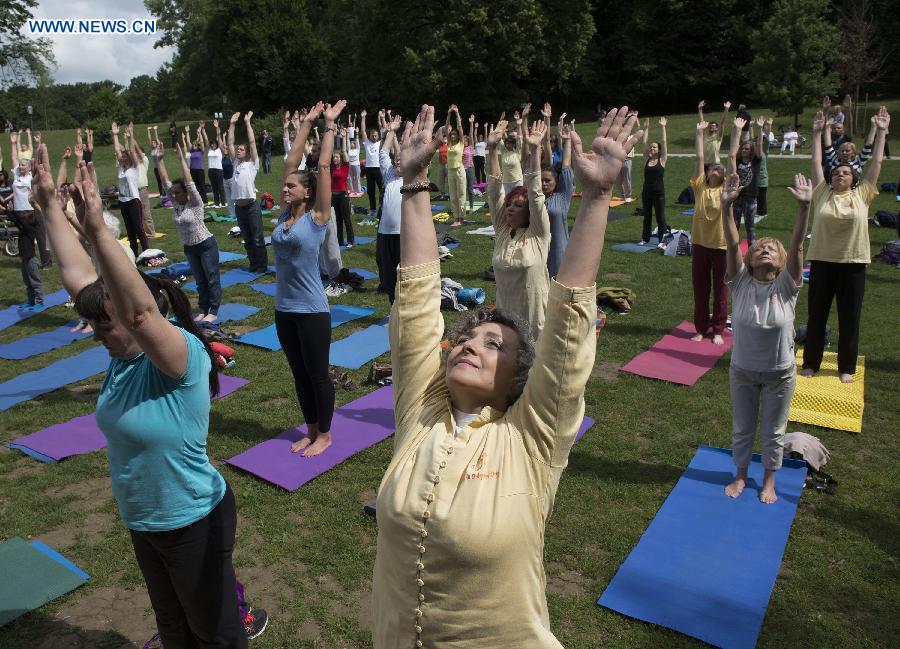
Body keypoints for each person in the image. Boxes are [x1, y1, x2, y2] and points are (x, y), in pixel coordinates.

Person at [373, 103, 641, 649]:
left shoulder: (531, 438)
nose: (470, 341)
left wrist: (595, 200)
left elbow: (565, 335)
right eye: (468, 336)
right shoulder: (421, 412)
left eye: (493, 344)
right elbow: (419, 305)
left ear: (519, 377)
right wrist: (415, 181)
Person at [30, 144, 267, 647]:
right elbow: (79, 280)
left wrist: (97, 230)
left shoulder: (179, 358)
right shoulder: (121, 360)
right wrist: (49, 205)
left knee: (214, 632)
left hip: (192, 519)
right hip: (146, 519)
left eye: (102, 322)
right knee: (173, 625)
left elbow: (138, 315)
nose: (94, 331)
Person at [721, 172, 809, 504]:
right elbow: (732, 243)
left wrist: (803, 209)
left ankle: (769, 481)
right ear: (750, 257)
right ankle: (741, 476)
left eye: (772, 248)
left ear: (781, 259)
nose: (766, 249)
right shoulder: (740, 282)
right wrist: (728, 207)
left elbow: (798, 244)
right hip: (743, 370)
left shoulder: (786, 286)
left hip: (779, 374)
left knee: (773, 431)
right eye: (760, 247)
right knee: (743, 428)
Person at [273, 100, 345, 458]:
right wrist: (305, 123)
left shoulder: (317, 216)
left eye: (291, 186)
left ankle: (326, 435)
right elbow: (291, 162)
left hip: (313, 310)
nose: (284, 189)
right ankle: (311, 429)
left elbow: (322, 164)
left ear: (307, 191)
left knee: (318, 375)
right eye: (285, 186)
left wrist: (328, 126)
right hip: (283, 309)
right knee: (299, 376)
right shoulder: (284, 216)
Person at [802, 107, 890, 383]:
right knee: (816, 315)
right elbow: (816, 164)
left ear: (854, 179)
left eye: (846, 173)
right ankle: (811, 363)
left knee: (849, 318)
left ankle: (846, 368)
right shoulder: (822, 194)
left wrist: (883, 132)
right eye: (837, 172)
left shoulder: (863, 195)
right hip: (823, 262)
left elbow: (876, 165)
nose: (840, 174)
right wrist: (817, 134)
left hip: (853, 264)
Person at [487, 119, 552, 342]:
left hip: (535, 324)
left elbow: (535, 195)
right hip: (505, 320)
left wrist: (535, 152)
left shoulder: (538, 234)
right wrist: (493, 149)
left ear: (530, 212)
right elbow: (495, 192)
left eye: (518, 205)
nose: (511, 209)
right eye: (510, 204)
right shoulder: (504, 231)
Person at [157, 142, 222, 323]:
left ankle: (214, 310)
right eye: (173, 193)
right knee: (200, 281)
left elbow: (190, 183)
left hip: (206, 245)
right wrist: (159, 159)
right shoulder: (177, 204)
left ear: (186, 193)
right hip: (189, 248)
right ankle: (203, 308)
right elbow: (164, 182)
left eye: (178, 193)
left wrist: (181, 160)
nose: (174, 195)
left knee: (211, 278)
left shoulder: (195, 203)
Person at [690, 117, 729, 345]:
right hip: (700, 244)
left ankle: (717, 330)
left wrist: (734, 129)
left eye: (718, 168)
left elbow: (731, 159)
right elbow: (700, 158)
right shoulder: (699, 188)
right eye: (712, 167)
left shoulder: (726, 190)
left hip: (721, 245)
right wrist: (699, 134)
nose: (715, 169)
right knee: (701, 288)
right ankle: (701, 327)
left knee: (721, 290)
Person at [228, 111, 269, 273]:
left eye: (241, 149)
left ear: (248, 153)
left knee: (258, 238)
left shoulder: (253, 164)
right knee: (248, 239)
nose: (238, 150)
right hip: (239, 207)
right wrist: (232, 124)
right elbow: (230, 143)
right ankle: (253, 264)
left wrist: (247, 123)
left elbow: (252, 142)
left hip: (252, 207)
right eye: (238, 149)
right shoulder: (235, 164)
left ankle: (262, 265)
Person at [7, 136, 43, 308]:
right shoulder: (17, 176)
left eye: (24, 165)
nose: (20, 167)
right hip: (18, 213)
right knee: (24, 251)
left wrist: (37, 146)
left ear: (29, 167)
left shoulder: (30, 177)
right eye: (20, 165)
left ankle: (38, 296)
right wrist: (13, 144)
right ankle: (31, 296)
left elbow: (37, 163)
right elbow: (14, 158)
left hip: (29, 213)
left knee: (28, 252)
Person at [375, 115, 404, 304]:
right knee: (388, 276)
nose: (398, 162)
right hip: (384, 233)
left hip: (404, 234)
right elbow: (383, 153)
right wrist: (391, 131)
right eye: (397, 160)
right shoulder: (389, 175)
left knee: (405, 277)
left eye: (402, 160)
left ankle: (408, 313)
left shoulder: (414, 177)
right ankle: (394, 311)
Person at [111, 122, 148, 256]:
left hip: (134, 201)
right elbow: (117, 149)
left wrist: (130, 136)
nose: (123, 157)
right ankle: (134, 253)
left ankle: (146, 252)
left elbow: (132, 151)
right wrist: (115, 135)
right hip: (123, 202)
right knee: (129, 229)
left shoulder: (134, 168)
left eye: (126, 156)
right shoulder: (121, 168)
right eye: (123, 156)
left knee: (138, 228)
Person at [543, 119, 574, 278]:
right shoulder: (535, 199)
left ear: (556, 183)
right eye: (541, 180)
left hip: (558, 251)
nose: (544, 184)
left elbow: (566, 167)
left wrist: (567, 141)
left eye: (547, 181)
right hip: (537, 252)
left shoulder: (561, 197)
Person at [728, 115, 764, 245]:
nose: (743, 150)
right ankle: (733, 251)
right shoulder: (737, 161)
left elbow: (759, 144)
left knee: (750, 227)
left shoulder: (755, 161)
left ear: (751, 151)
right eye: (742, 148)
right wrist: (736, 130)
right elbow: (732, 151)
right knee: (735, 225)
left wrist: (760, 129)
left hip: (750, 198)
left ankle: (751, 252)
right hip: (737, 197)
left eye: (746, 149)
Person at [640, 116, 669, 248]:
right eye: (651, 147)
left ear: (659, 150)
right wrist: (646, 128)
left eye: (655, 147)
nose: (652, 149)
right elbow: (644, 142)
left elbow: (664, 141)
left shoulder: (662, 160)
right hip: (646, 192)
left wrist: (663, 126)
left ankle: (662, 241)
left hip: (659, 192)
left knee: (660, 217)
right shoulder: (646, 159)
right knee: (647, 216)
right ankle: (645, 239)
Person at [445, 105, 467, 226]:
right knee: (453, 196)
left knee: (461, 195)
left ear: (458, 136)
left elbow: (459, 126)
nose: (453, 136)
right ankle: (456, 218)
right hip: (450, 171)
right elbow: (447, 126)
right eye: (451, 134)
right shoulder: (449, 143)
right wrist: (449, 113)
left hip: (459, 170)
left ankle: (462, 218)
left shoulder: (461, 143)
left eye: (454, 135)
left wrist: (457, 113)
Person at [360, 110, 384, 217]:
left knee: (382, 189)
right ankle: (373, 209)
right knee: (370, 191)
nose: (374, 137)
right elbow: (363, 130)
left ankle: (384, 208)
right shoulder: (367, 143)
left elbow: (384, 132)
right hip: (369, 169)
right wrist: (363, 117)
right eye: (372, 136)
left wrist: (382, 117)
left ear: (378, 136)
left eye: (375, 136)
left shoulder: (380, 143)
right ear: (369, 136)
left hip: (378, 169)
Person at [332, 131, 353, 247]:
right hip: (333, 196)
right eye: (333, 157)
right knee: (338, 220)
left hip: (343, 195)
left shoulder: (345, 167)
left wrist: (344, 137)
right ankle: (339, 241)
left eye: (336, 157)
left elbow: (345, 151)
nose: (334, 158)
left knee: (347, 219)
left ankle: (350, 241)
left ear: (340, 158)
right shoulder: (331, 168)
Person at [698, 100, 731, 164]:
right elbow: (702, 122)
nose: (711, 127)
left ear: (717, 128)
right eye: (710, 126)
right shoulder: (705, 135)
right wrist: (700, 109)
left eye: (714, 126)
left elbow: (722, 123)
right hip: (704, 163)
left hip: (715, 163)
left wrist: (726, 109)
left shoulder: (718, 137)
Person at [202, 121, 227, 208]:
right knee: (214, 188)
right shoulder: (209, 150)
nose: (212, 145)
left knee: (220, 187)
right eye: (211, 144)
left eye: (214, 144)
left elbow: (219, 138)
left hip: (219, 170)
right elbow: (205, 140)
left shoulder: (219, 150)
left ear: (216, 144)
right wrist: (203, 130)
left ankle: (223, 203)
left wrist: (217, 127)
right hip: (211, 170)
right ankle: (217, 203)